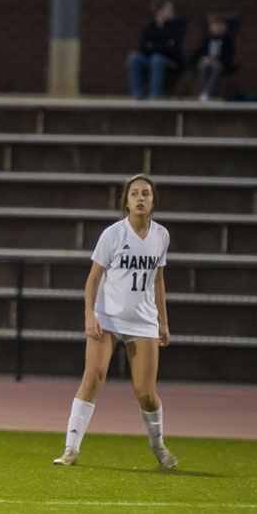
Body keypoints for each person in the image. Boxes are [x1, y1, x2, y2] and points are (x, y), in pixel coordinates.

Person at [53, 173, 177, 469]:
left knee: (146, 394)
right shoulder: (112, 235)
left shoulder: (161, 236)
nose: (140, 199)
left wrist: (163, 322)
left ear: (153, 200)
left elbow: (158, 281)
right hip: (107, 318)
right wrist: (89, 313)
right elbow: (93, 278)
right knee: (92, 378)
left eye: (145, 194)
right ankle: (71, 449)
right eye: (134, 194)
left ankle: (158, 445)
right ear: (126, 201)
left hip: (143, 321)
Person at [126, 0, 184, 99]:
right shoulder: (149, 28)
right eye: (169, 9)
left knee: (156, 58)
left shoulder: (175, 28)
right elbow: (142, 47)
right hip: (149, 59)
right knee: (133, 57)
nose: (172, 11)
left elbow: (173, 50)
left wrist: (153, 46)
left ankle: (154, 95)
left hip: (169, 61)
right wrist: (163, 45)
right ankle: (135, 94)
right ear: (159, 10)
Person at [192, 13, 236, 103]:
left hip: (220, 64)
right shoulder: (206, 40)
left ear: (224, 27)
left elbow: (229, 57)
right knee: (203, 67)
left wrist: (217, 60)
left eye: (220, 26)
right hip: (206, 62)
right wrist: (204, 58)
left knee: (215, 68)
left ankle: (207, 92)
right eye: (215, 26)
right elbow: (197, 53)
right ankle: (202, 94)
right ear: (210, 27)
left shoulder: (228, 41)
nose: (217, 28)